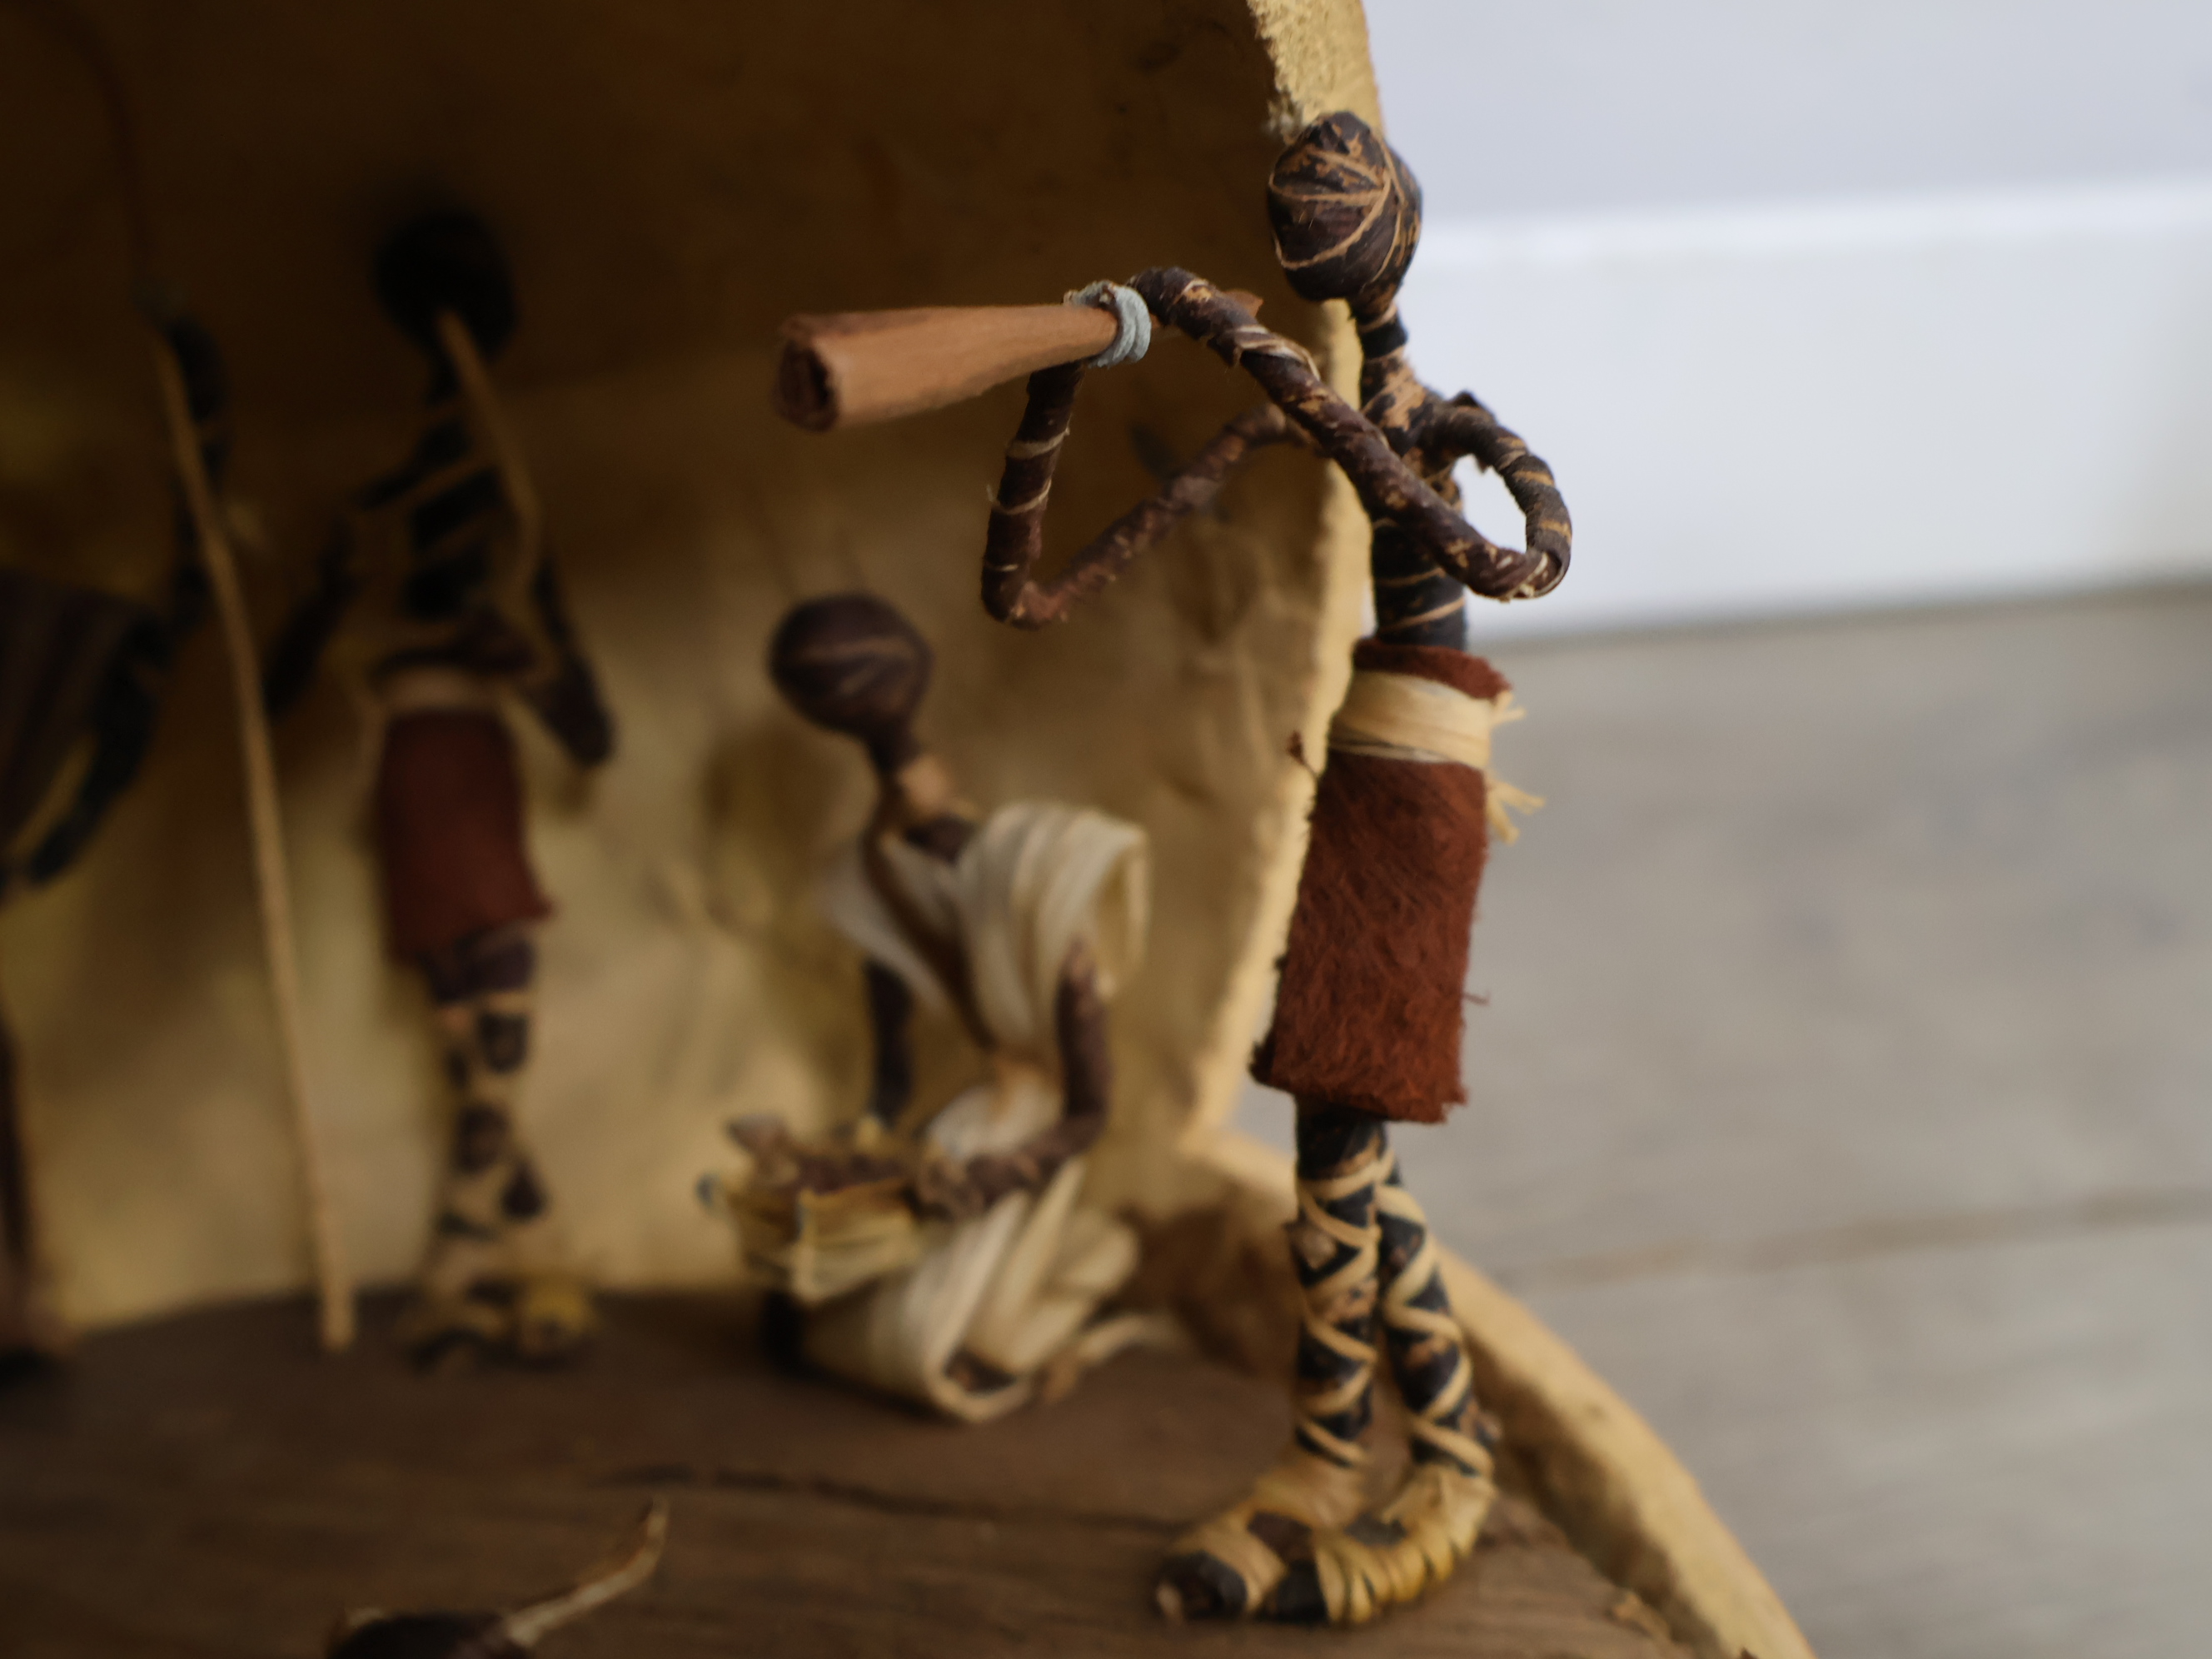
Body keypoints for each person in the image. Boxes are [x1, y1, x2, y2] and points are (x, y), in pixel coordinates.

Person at [262, 212, 613, 1365]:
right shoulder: (367, 555)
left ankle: (456, 1270)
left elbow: (592, 734)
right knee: (473, 1063)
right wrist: (325, 595)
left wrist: (525, 664)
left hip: (480, 813)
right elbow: (272, 698)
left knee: (488, 1064)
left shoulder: (516, 556)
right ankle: (537, 1253)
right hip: (411, 817)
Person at [715, 591, 1154, 1421]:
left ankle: (1077, 1280)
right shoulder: (882, 894)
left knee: (931, 1346)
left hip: (1027, 1141)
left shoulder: (1044, 907)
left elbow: (1091, 1111)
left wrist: (1001, 1173)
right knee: (845, 1299)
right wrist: (849, 1150)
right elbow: (891, 1078)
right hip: (966, 1134)